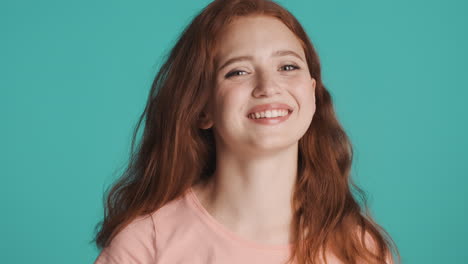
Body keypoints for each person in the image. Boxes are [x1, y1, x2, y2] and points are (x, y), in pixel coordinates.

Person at [93, 0, 400, 263]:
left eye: (288, 67)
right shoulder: (146, 246)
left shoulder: (361, 250)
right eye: (238, 71)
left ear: (312, 92)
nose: (268, 87)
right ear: (203, 108)